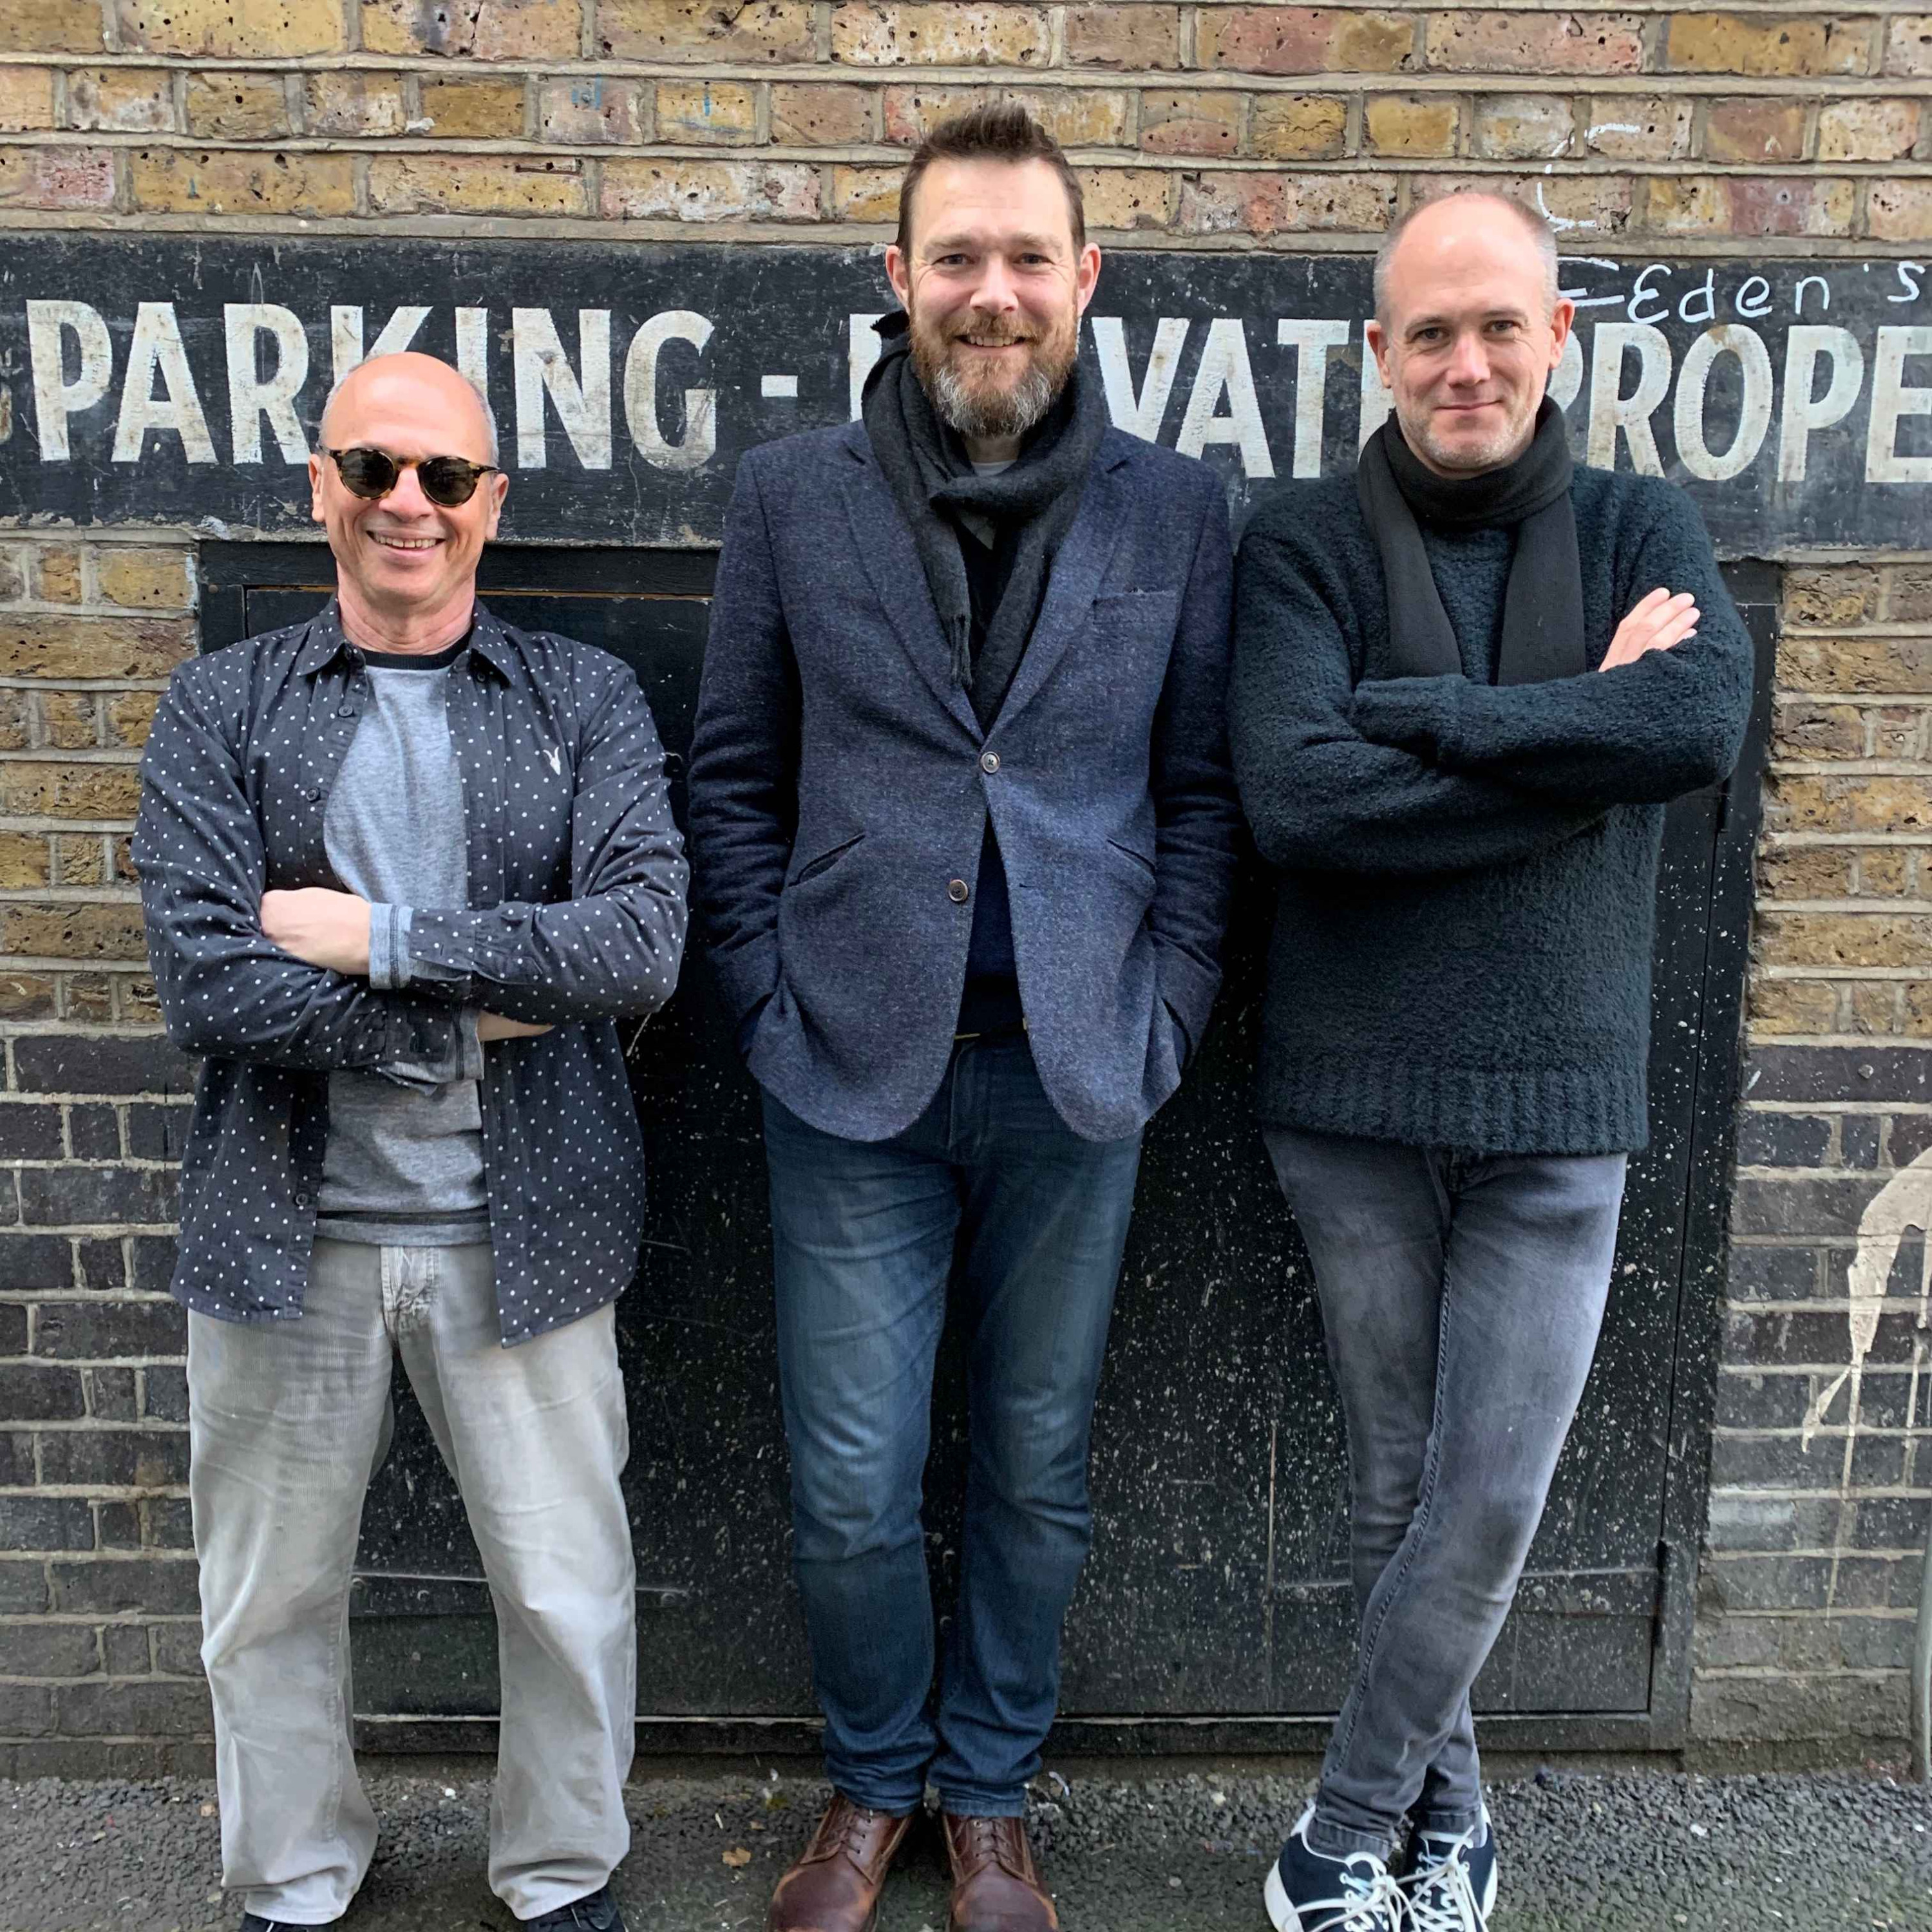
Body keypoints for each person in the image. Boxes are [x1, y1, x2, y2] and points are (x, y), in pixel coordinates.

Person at [687, 103, 1240, 1932]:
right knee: (852, 1481)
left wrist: (1165, 1010)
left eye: (1025, 257)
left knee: (1037, 1469)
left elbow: (1200, 794)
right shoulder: (794, 494)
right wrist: (766, 996)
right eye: (955, 258)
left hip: (1079, 1076)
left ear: (1084, 278)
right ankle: (872, 1785)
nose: (990, 292)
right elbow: (736, 775)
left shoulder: (1175, 508)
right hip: (847, 1070)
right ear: (899, 279)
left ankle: (989, 1795)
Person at [1231, 192, 1753, 1932]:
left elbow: (1694, 722)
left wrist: (1440, 718)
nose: (1468, 363)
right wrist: (1578, 743)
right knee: (1400, 1492)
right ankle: (1447, 1825)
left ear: (1558, 338)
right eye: (1432, 332)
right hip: (1356, 1097)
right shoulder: (1303, 546)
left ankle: (1339, 1834)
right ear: (1380, 352)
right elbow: (1303, 799)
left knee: (1489, 1501)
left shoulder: (1639, 526)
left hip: (1560, 1104)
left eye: (1499, 326)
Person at [135, 351, 688, 1932]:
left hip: (530, 1227)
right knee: (268, 1598)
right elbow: (208, 982)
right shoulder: (224, 705)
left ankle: (562, 1871)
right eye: (373, 467)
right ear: (320, 484)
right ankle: (293, 1875)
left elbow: (638, 944)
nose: (408, 504)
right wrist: (466, 1016)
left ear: (490, 503)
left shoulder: (581, 701)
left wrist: (370, 936)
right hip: (284, 1230)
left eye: (444, 477)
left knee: (566, 1594)